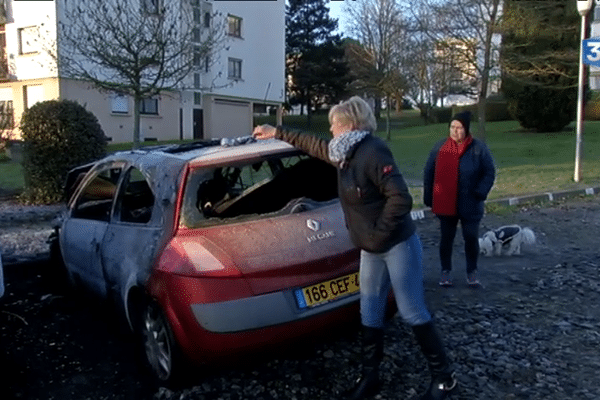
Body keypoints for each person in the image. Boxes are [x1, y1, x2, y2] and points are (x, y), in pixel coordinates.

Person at [253, 96, 457, 400]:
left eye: (335, 123)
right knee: (369, 313)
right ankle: (370, 378)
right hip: (370, 248)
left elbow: (401, 198)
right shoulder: (342, 153)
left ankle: (444, 378)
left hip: (396, 244)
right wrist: (277, 131)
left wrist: (376, 236)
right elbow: (314, 145)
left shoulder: (373, 152)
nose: (331, 129)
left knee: (412, 311)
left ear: (349, 125)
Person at [423, 111, 495, 288]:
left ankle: (472, 272)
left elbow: (489, 171)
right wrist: (429, 196)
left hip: (471, 201)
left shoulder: (478, 149)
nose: (455, 131)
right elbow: (429, 172)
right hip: (446, 201)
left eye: (459, 128)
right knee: (446, 238)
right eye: (452, 127)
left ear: (467, 129)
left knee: (470, 237)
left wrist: (481, 191)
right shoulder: (440, 147)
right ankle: (445, 271)